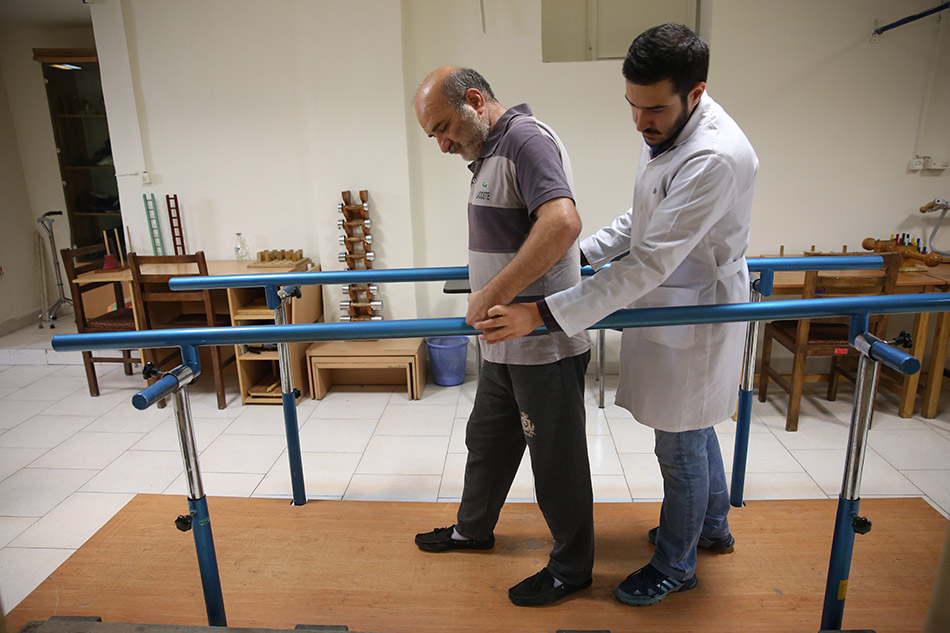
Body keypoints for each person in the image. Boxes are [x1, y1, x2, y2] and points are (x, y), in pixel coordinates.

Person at [476, 24, 759, 607]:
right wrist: (580, 254)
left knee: (678, 444)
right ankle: (710, 527)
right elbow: (642, 220)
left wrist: (547, 314)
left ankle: (677, 564)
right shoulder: (665, 127)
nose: (640, 122)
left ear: (695, 93)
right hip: (666, 298)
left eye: (653, 109)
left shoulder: (714, 156)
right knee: (692, 426)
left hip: (696, 309)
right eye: (632, 106)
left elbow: (650, 262)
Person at [412, 66, 594, 607]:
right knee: (486, 442)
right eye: (434, 136)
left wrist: (494, 292)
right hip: (502, 345)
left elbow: (562, 223)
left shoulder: (524, 141)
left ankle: (571, 570)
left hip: (542, 345)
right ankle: (473, 530)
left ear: (474, 100)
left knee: (555, 462)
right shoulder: (488, 153)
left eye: (444, 128)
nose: (442, 144)